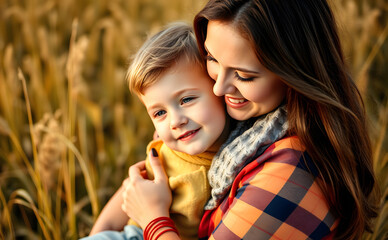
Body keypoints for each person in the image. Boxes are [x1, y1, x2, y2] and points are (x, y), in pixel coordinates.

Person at [121, 0, 379, 240]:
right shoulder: (247, 126)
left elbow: (143, 202)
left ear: (294, 72)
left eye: (244, 75)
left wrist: (153, 218)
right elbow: (139, 183)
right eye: (211, 58)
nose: (218, 89)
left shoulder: (290, 173)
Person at [83, 22, 230, 240]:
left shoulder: (248, 151)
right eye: (159, 113)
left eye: (187, 99)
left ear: (218, 84)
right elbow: (129, 193)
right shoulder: (165, 155)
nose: (175, 122)